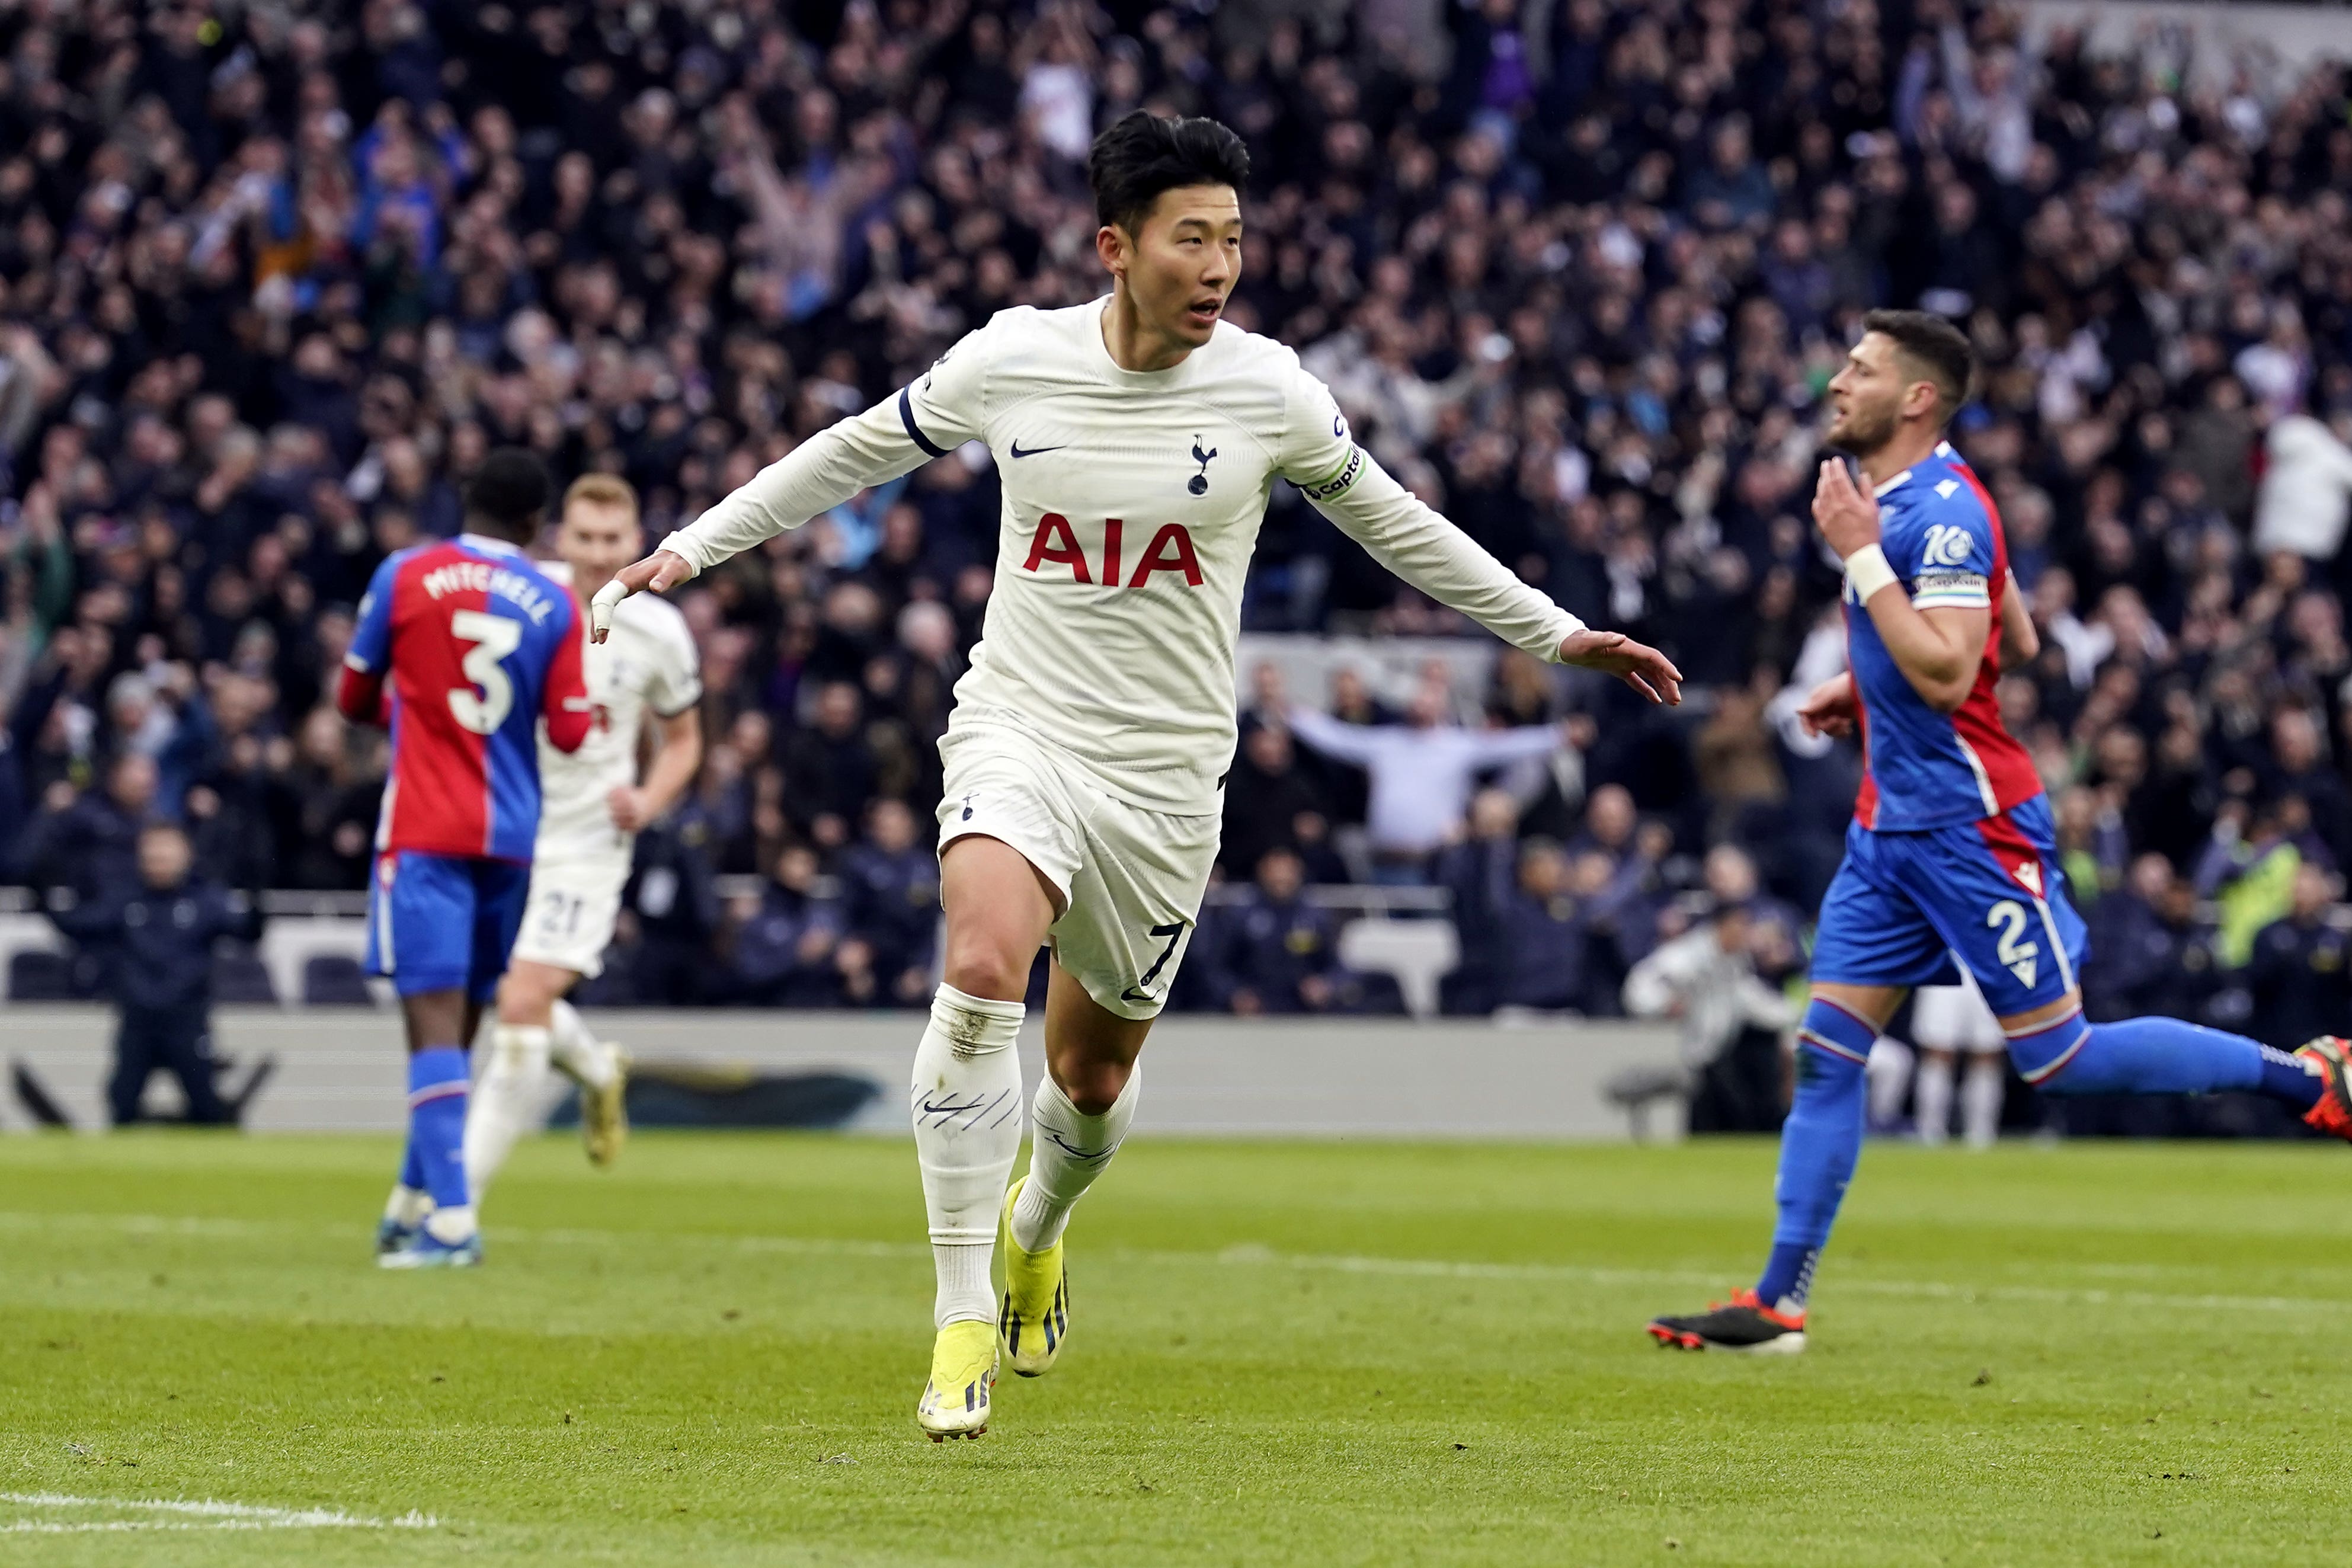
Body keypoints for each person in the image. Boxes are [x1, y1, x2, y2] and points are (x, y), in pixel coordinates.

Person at [592, 110, 1682, 1439]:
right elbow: (855, 449)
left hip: (1167, 781)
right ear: (1117, 247)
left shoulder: (1269, 390)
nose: (1219, 263)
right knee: (984, 961)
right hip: (1021, 724)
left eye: (1231, 237)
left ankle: (1037, 1226)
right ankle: (953, 1320)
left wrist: (1550, 630)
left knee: (1092, 1080)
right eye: (1192, 237)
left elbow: (1397, 520)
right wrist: (690, 552)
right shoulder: (1013, 357)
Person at [1647, 312, 2350, 1355]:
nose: (1835, 380)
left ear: (1915, 397)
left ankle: (2310, 1078)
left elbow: (1944, 669)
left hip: (1971, 830)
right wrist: (1865, 689)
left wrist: (1861, 570)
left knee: (2057, 1058)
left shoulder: (1934, 516)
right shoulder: (1920, 496)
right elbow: (2005, 640)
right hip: (1888, 833)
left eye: (1859, 368)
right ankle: (1777, 1303)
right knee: (1826, 1054)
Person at [337, 449, 591, 1269]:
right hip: (511, 840)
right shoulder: (555, 599)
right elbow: (573, 731)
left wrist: (417, 709)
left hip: (423, 833)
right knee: (466, 1020)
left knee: (432, 1024)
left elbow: (352, 699)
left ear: (465, 501)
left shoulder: (406, 574)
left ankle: (452, 1221)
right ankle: (410, 1201)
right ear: (534, 524)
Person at [462, 475, 703, 1222]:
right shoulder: (522, 601)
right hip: (501, 831)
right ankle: (599, 1070)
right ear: (558, 538)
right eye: (584, 539)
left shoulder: (661, 630)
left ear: (636, 543)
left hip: (588, 845)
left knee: (523, 1000)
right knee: (503, 999)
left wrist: (651, 798)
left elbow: (684, 742)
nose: (599, 555)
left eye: (612, 541)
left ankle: (454, 1205)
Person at [46, 822, 263, 1126]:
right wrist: (43, 891)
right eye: (152, 851)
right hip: (138, 1020)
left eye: (166, 850)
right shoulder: (126, 900)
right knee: (122, 1102)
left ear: (186, 854)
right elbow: (78, 925)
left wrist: (256, 896)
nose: (158, 858)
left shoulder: (205, 900)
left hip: (186, 1019)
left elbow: (249, 932)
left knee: (206, 1106)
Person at [1287, 677, 1575, 882]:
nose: (1422, 707)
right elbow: (1339, 739)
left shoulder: (1458, 745)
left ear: (1441, 708)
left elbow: (1509, 745)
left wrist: (1559, 736)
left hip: (1434, 864)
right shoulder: (1388, 742)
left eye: (1429, 701)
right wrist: (1294, 717)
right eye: (1418, 701)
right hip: (1385, 861)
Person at [1907, 972, 2007, 1149]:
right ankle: (1931, 1133)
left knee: (1985, 1057)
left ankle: (1980, 1136)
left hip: (1981, 967)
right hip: (1954, 966)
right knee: (1939, 1054)